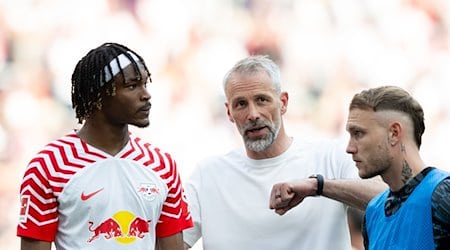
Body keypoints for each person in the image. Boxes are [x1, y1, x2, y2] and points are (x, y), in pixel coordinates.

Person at [183, 55, 385, 250]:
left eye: (262, 100)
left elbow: (388, 197)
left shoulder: (330, 156)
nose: (253, 114)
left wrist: (317, 186)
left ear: (283, 102)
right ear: (229, 112)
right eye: (241, 104)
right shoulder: (208, 175)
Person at [17, 42, 193, 250]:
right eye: (132, 85)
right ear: (98, 95)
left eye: (145, 84)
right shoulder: (48, 165)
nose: (146, 95)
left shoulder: (162, 165)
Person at [345, 85, 450, 249]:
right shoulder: (373, 212)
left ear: (394, 133)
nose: (349, 148)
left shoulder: (443, 194)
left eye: (358, 133)